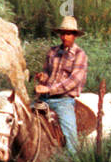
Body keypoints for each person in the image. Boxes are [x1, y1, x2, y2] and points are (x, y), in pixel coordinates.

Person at [34, 15, 89, 154]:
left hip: (64, 101)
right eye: (63, 33)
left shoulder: (79, 55)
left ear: (75, 35)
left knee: (70, 132)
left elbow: (74, 80)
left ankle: (73, 161)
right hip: (44, 98)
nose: (65, 36)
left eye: (69, 33)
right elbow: (47, 72)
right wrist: (42, 77)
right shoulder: (52, 52)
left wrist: (49, 88)